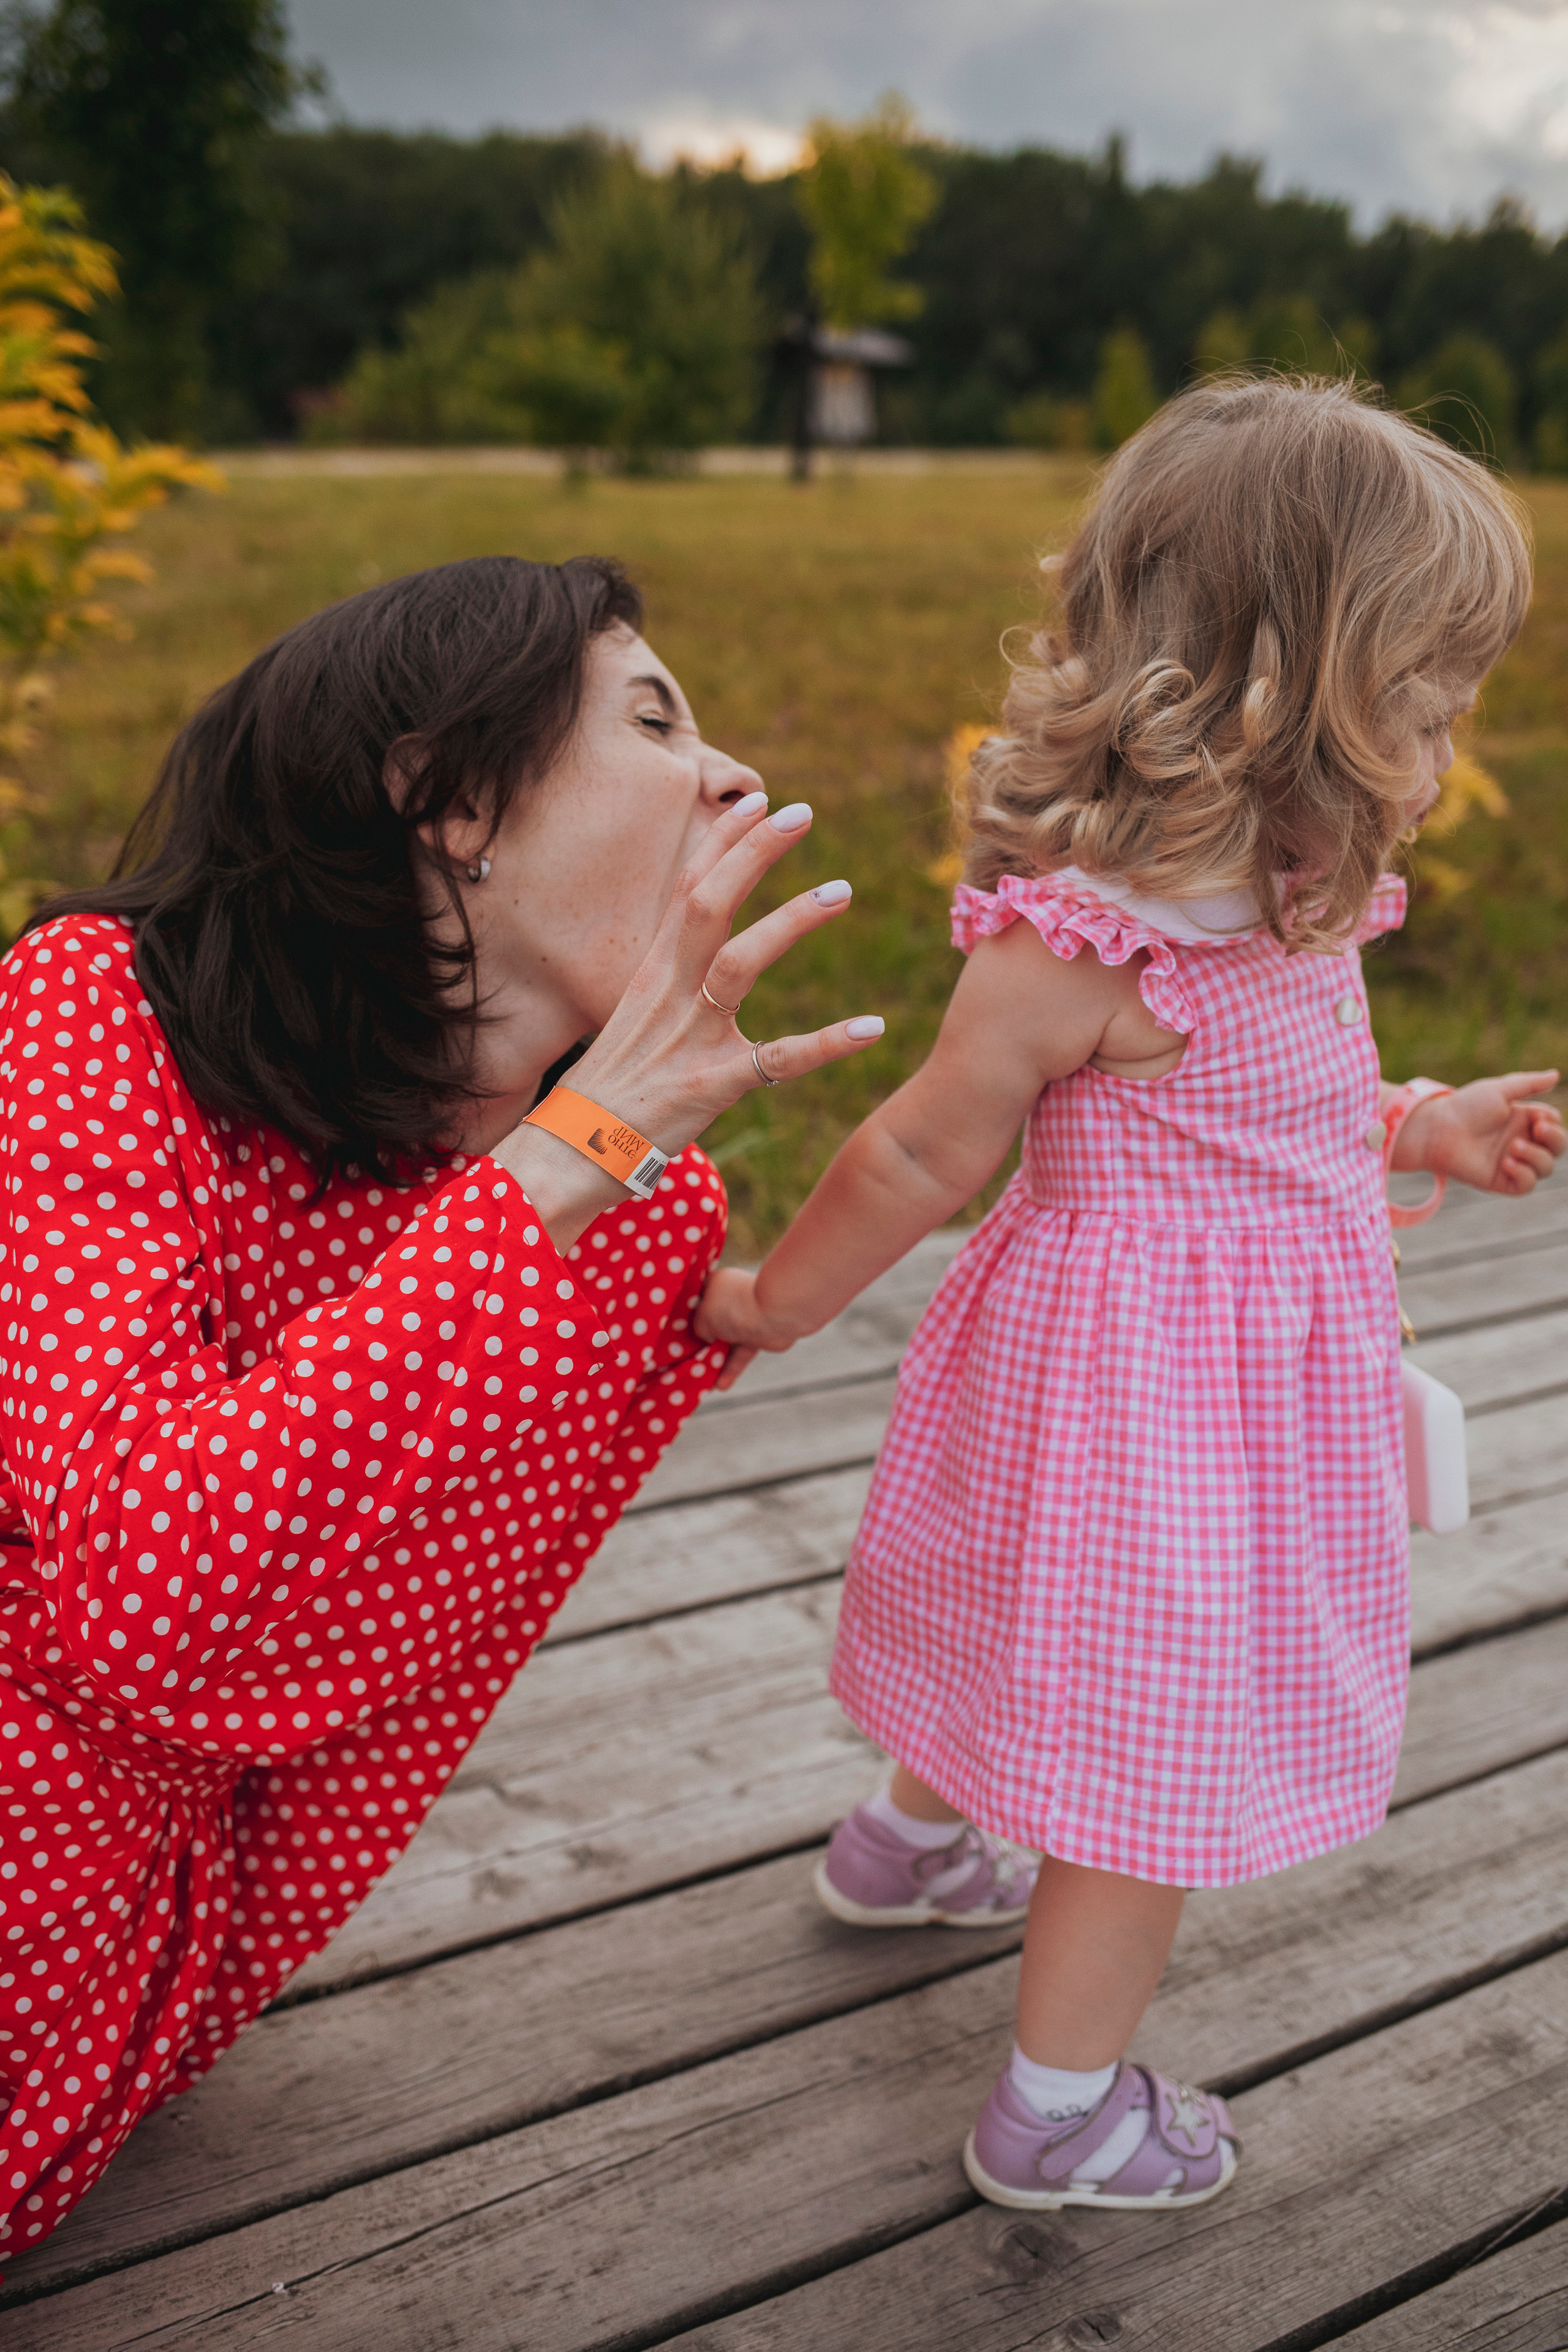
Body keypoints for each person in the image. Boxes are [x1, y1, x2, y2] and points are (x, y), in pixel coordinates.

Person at [696, 379, 1566, 2212]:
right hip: (1160, 1418)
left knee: (1025, 1629)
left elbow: (1279, 1117)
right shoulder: (1087, 938)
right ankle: (1055, 2111)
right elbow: (922, 1156)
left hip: (1180, 1392)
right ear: (1290, 678)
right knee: (1152, 1753)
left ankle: (907, 1849)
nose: (1450, 725)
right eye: (1424, 686)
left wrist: (1428, 1118)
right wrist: (777, 1300)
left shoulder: (1287, 887)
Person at [0, 553, 885, 2260]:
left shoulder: (632, 1226)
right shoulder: (94, 1012)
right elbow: (134, 1585)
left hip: (77, 2019)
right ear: (444, 797)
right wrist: (564, 1160)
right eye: (653, 717)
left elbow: (396, 1715)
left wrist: (144, 2035)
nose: (732, 779)